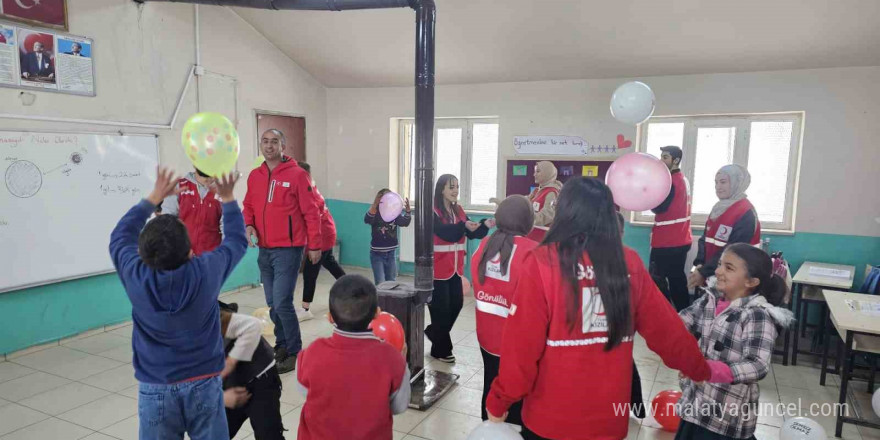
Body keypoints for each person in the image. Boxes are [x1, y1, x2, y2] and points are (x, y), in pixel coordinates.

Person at [485, 177, 711, 440]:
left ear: (564, 212)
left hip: (551, 419)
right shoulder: (628, 261)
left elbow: (521, 347)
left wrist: (500, 399)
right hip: (608, 421)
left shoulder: (542, 262)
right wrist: (697, 367)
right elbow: (666, 328)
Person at [109, 168, 247, 439]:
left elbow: (119, 236)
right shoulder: (206, 272)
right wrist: (228, 198)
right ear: (191, 251)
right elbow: (237, 241)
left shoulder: (135, 275)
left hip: (155, 387)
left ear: (142, 252)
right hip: (205, 383)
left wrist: (153, 197)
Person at [676, 244, 793, 440]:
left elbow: (757, 365)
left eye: (729, 268)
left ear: (751, 281)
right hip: (695, 403)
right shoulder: (710, 300)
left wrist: (706, 370)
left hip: (726, 415)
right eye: (720, 264)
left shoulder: (757, 315)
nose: (718, 271)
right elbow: (680, 322)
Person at [243, 129, 323, 374]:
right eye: (265, 141)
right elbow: (248, 206)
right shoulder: (254, 176)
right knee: (272, 303)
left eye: (274, 141)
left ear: (283, 146)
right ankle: (282, 344)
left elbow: (312, 212)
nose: (269, 146)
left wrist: (315, 245)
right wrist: (248, 226)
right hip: (264, 249)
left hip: (289, 249)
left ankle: (295, 351)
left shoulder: (298, 175)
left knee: (282, 302)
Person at [295, 274, 410, 440]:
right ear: (377, 314)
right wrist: (402, 363)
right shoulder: (391, 358)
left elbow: (305, 392)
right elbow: (399, 406)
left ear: (330, 317)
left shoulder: (311, 352)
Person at [471, 195, 536, 425]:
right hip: (516, 343)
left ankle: (487, 428)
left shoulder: (484, 244)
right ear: (528, 221)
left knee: (491, 383)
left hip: (487, 337)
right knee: (515, 393)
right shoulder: (533, 252)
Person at [428, 174, 491, 363]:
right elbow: (447, 233)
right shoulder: (433, 212)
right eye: (451, 187)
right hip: (437, 270)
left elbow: (471, 231)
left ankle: (433, 332)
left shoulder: (459, 210)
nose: (455, 190)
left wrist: (484, 225)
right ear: (441, 190)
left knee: (456, 305)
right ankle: (440, 350)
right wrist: (464, 227)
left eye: (457, 186)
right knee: (441, 310)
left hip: (455, 269)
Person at [688, 164, 761, 290]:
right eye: (716, 183)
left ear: (736, 183)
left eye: (723, 182)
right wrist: (699, 264)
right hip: (714, 275)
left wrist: (704, 271)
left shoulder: (745, 212)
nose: (718, 187)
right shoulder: (718, 209)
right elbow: (704, 240)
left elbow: (733, 251)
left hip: (735, 281)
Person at [220, 309, 286, 440]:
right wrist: (220, 398)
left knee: (268, 434)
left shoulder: (204, 315)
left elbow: (253, 325)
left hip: (260, 375)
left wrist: (230, 362)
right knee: (214, 435)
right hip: (224, 388)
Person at [297, 161, 345, 320]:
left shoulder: (309, 191)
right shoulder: (309, 186)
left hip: (321, 235)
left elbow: (313, 220)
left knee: (310, 272)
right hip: (327, 231)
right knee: (330, 262)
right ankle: (352, 288)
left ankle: (305, 309)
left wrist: (313, 245)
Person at [651, 146, 693, 311]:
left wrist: (650, 195)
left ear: (675, 160)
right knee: (677, 279)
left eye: (666, 157)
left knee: (657, 278)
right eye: (661, 156)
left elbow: (659, 208)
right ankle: (683, 313)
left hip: (667, 242)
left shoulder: (670, 181)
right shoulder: (682, 179)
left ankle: (665, 312)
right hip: (680, 238)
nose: (662, 160)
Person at [162, 168, 224, 256]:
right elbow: (166, 222)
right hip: (181, 256)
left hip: (212, 258)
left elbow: (228, 226)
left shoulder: (223, 191)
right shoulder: (178, 186)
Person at [364, 188, 411, 284]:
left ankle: (390, 299)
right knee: (380, 282)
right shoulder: (375, 213)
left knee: (391, 281)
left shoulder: (394, 213)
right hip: (377, 255)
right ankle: (380, 299)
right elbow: (367, 220)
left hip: (391, 254)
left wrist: (408, 212)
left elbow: (404, 222)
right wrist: (374, 205)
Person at [525, 161, 563, 243]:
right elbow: (523, 203)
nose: (534, 174)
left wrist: (525, 218)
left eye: (538, 171)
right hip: (531, 236)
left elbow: (547, 216)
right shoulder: (536, 191)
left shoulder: (552, 193)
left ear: (547, 173)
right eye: (534, 171)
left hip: (542, 240)